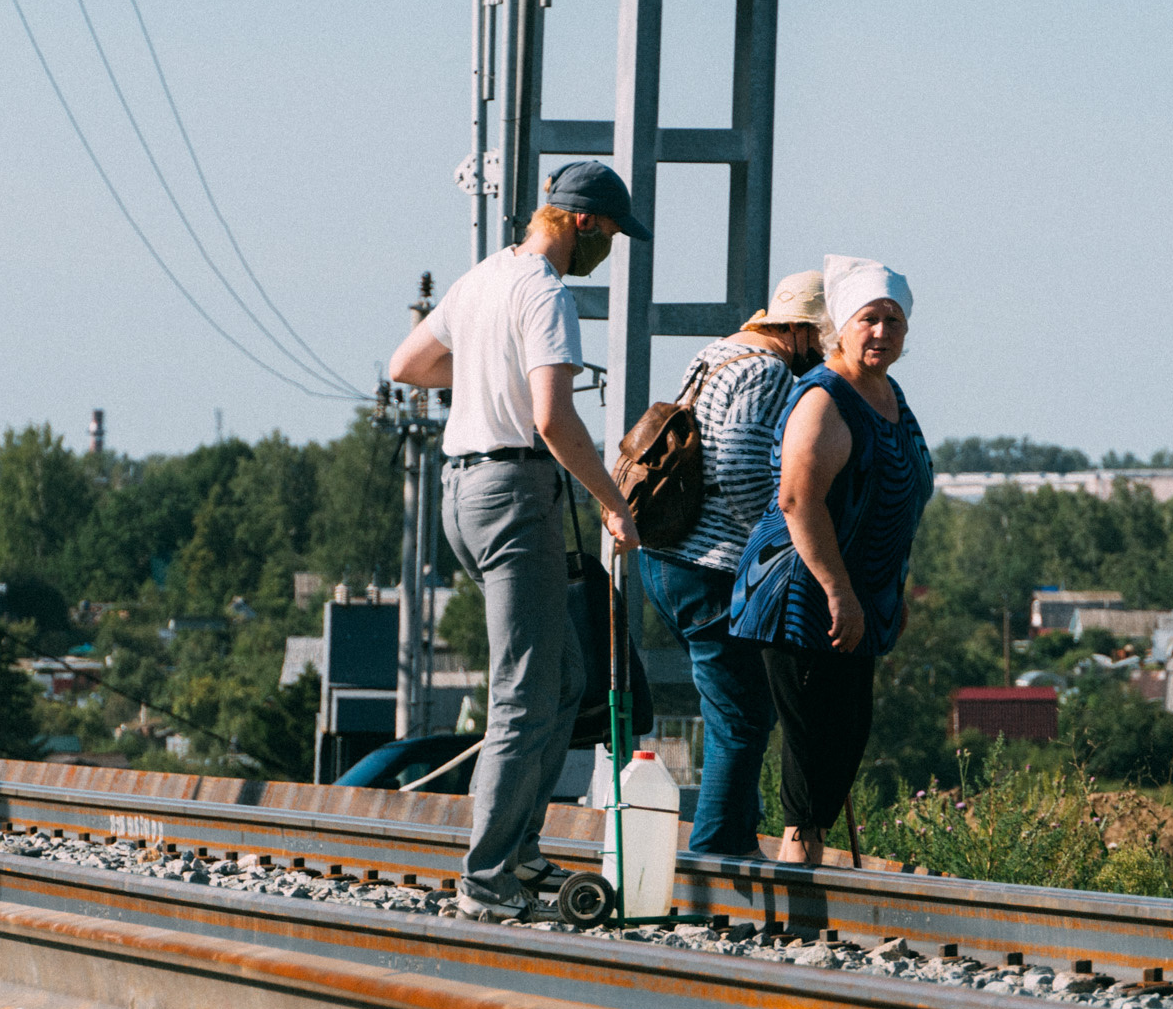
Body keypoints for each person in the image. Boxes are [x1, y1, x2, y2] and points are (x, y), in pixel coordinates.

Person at [386, 162, 645, 920]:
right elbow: (554, 420)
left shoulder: (482, 280)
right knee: (524, 693)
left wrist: (484, 365)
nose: (610, 250)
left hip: (462, 491)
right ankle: (488, 876)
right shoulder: (546, 292)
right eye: (611, 234)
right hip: (515, 493)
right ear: (584, 222)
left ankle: (521, 849)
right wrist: (612, 500)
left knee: (562, 679)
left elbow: (407, 365)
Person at [728, 254, 932, 865]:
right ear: (840, 326)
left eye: (893, 321)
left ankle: (809, 878)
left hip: (859, 600)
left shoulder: (887, 393)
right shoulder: (825, 398)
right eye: (869, 318)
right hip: (802, 598)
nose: (881, 332)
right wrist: (839, 592)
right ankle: (799, 885)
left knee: (844, 741)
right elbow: (798, 500)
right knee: (815, 747)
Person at [638, 271, 827, 856]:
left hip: (665, 557)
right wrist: (780, 543)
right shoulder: (767, 371)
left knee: (735, 710)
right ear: (799, 332)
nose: (823, 358)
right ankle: (719, 852)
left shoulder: (716, 355)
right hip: (711, 565)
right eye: (823, 342)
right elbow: (745, 470)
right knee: (742, 718)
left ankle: (737, 837)